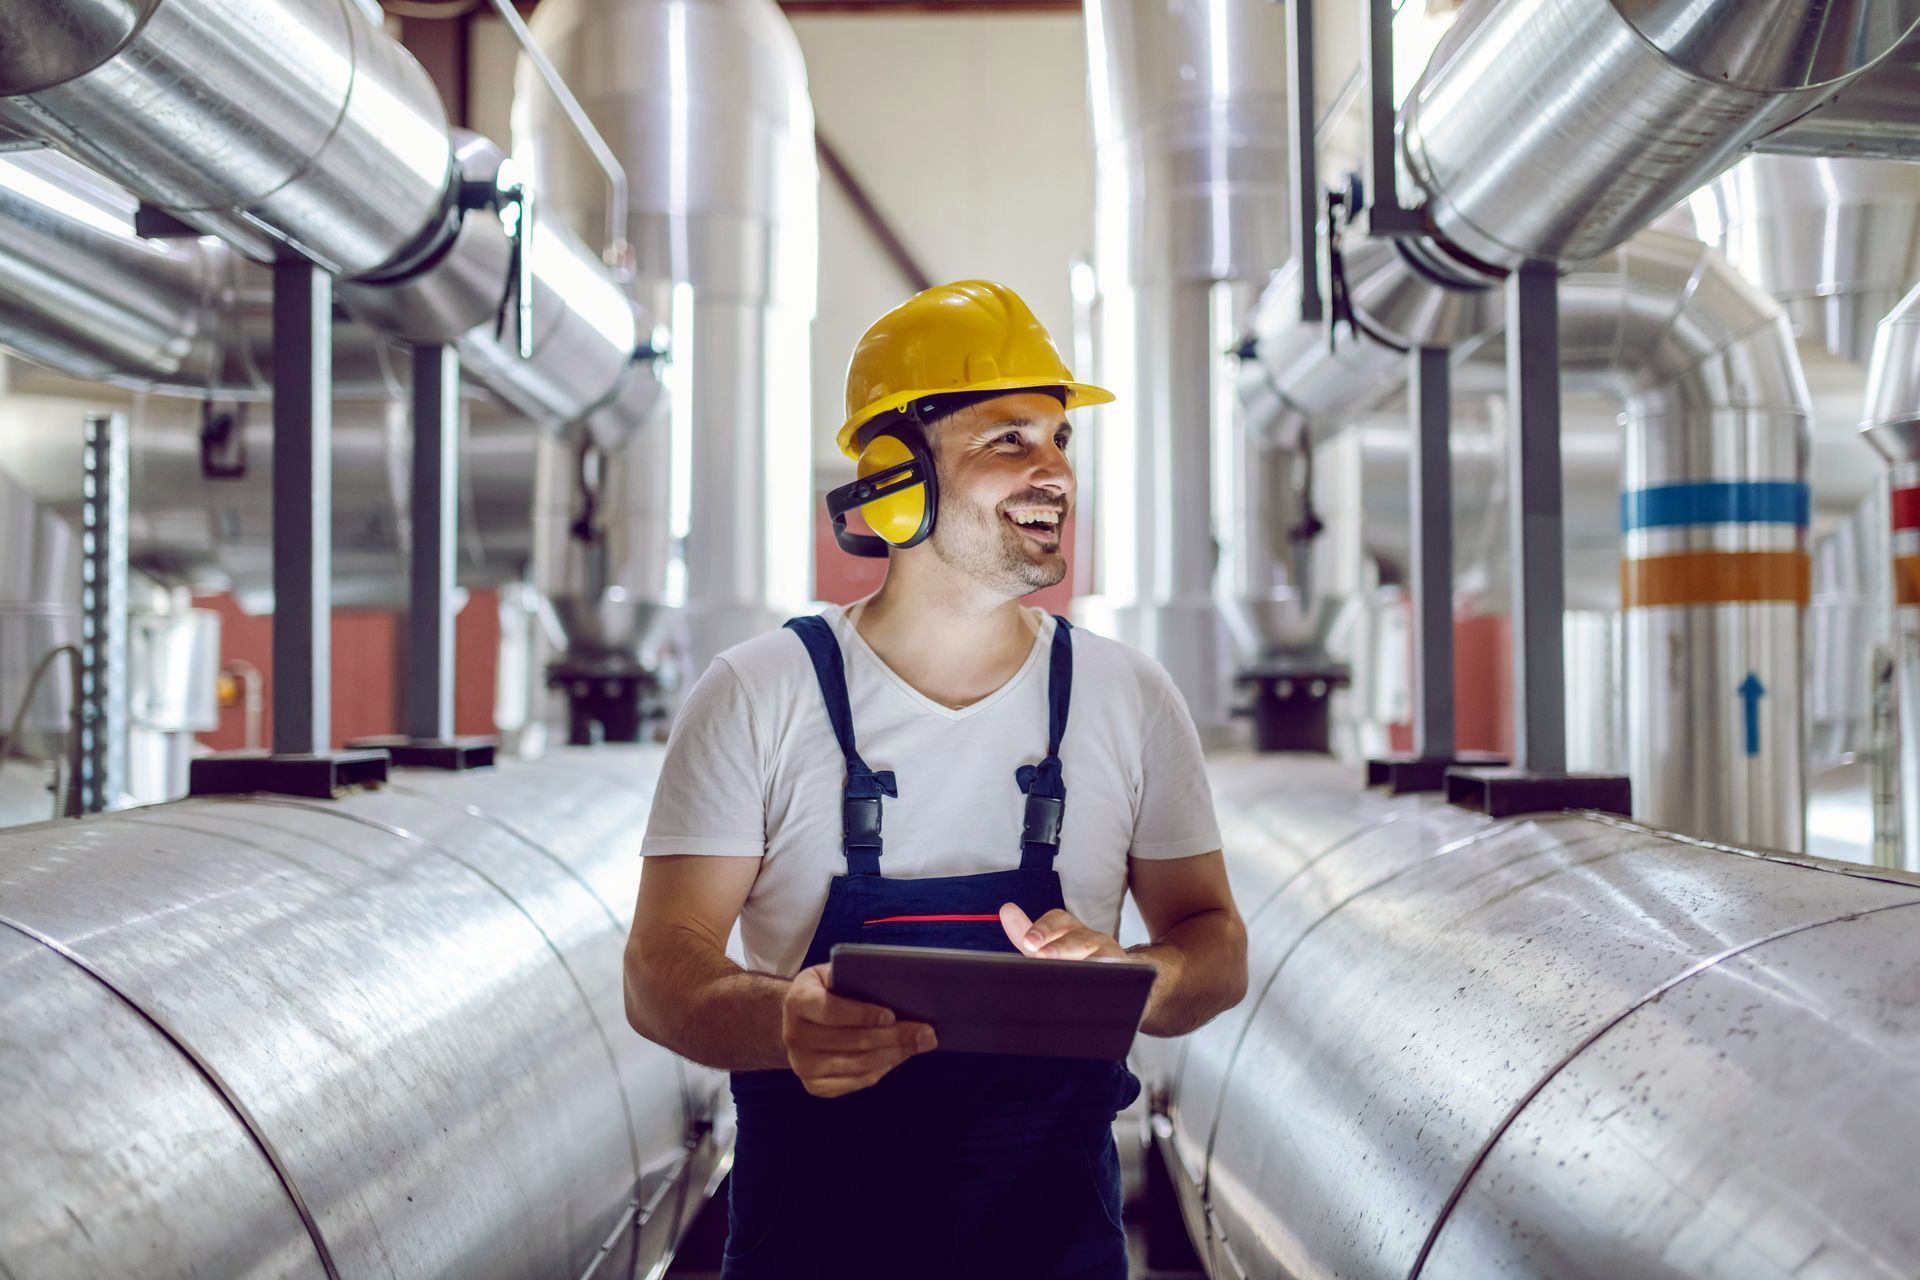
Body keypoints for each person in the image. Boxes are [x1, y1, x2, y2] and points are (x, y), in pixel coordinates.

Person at [625, 279, 1247, 1279]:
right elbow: (659, 972)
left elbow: (1216, 944)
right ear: (895, 476)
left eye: (1060, 439)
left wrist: (1139, 979)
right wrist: (785, 1022)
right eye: (1010, 440)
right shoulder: (759, 693)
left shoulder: (1126, 695)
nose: (1055, 472)